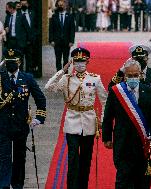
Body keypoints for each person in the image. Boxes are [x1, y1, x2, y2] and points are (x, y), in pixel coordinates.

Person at [0, 49, 47, 189]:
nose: (10, 65)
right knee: (4, 157)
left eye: (13, 62)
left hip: (21, 124)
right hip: (2, 124)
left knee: (20, 157)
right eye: (7, 62)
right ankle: (3, 186)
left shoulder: (27, 78)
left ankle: (18, 185)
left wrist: (39, 118)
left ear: (19, 62)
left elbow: (40, 99)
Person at [45, 47, 107, 189]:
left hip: (89, 122)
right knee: (72, 158)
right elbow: (48, 87)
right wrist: (62, 71)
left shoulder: (95, 79)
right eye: (76, 61)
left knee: (86, 158)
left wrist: (102, 120)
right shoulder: (67, 79)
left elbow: (105, 101)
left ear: (87, 62)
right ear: (72, 62)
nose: (79, 64)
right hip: (72, 121)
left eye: (82, 61)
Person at [102, 58, 151, 189]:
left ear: (140, 75)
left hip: (144, 144)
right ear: (124, 76)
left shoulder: (150, 92)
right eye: (130, 76)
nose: (133, 78)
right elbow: (108, 116)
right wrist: (106, 137)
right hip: (123, 144)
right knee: (123, 180)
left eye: (136, 75)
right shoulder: (116, 92)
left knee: (143, 181)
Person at [109, 44, 151, 125]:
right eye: (137, 59)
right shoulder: (126, 74)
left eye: (142, 58)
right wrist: (120, 72)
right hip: (131, 117)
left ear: (147, 58)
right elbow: (111, 88)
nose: (140, 61)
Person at [49, 0, 75, 72]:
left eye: (62, 5)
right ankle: (59, 72)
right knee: (58, 58)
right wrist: (51, 40)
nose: (60, 7)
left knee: (66, 59)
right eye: (59, 5)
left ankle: (65, 72)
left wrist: (71, 41)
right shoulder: (54, 17)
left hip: (66, 42)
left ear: (65, 6)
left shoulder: (70, 16)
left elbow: (72, 30)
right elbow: (51, 29)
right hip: (57, 42)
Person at [4, 1, 30, 71]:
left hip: (19, 42)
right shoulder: (8, 17)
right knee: (11, 59)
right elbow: (5, 26)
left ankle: (20, 75)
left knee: (19, 59)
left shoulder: (21, 16)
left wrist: (27, 40)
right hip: (10, 41)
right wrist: (6, 29)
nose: (6, 10)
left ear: (11, 8)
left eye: (7, 8)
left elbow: (27, 28)